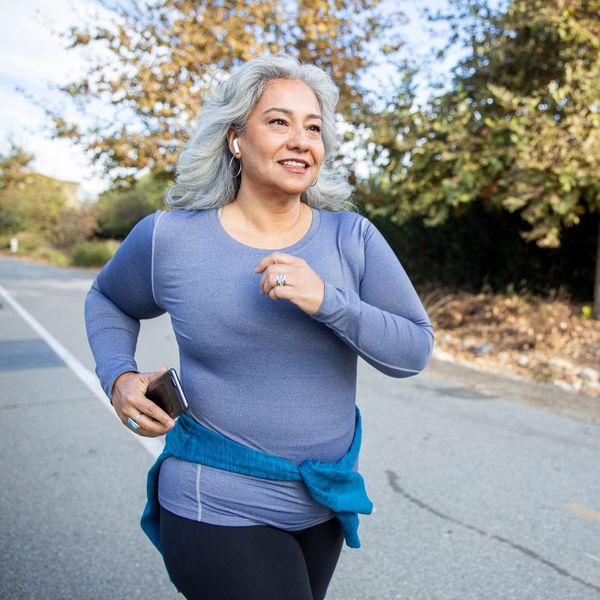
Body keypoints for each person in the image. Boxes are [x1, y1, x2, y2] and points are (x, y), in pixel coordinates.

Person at [85, 54, 434, 600]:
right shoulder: (171, 238)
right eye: (279, 122)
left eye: (313, 127)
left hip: (323, 504)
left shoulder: (353, 238)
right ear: (234, 139)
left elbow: (414, 349)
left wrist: (329, 302)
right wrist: (118, 376)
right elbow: (108, 297)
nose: (301, 140)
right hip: (214, 499)